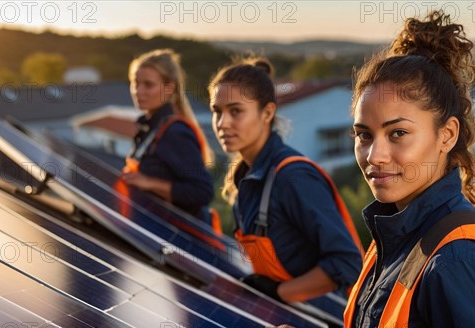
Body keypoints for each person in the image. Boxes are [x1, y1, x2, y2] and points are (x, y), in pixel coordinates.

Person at [255, 10, 475, 328]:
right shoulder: (398, 230)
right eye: (364, 135)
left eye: (398, 133)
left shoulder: (458, 261)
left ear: (447, 135)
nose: (375, 156)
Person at [208, 56, 364, 303]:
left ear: (267, 112)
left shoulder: (293, 177)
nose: (222, 123)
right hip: (286, 315)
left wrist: (277, 293)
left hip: (325, 321)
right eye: (217, 112)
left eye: (235, 111)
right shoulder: (245, 181)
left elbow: (348, 262)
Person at [120, 49, 215, 224]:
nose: (138, 91)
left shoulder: (174, 133)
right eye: (135, 83)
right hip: (150, 233)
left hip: (178, 242)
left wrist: (149, 183)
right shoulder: (149, 127)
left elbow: (203, 191)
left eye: (148, 85)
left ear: (169, 89)